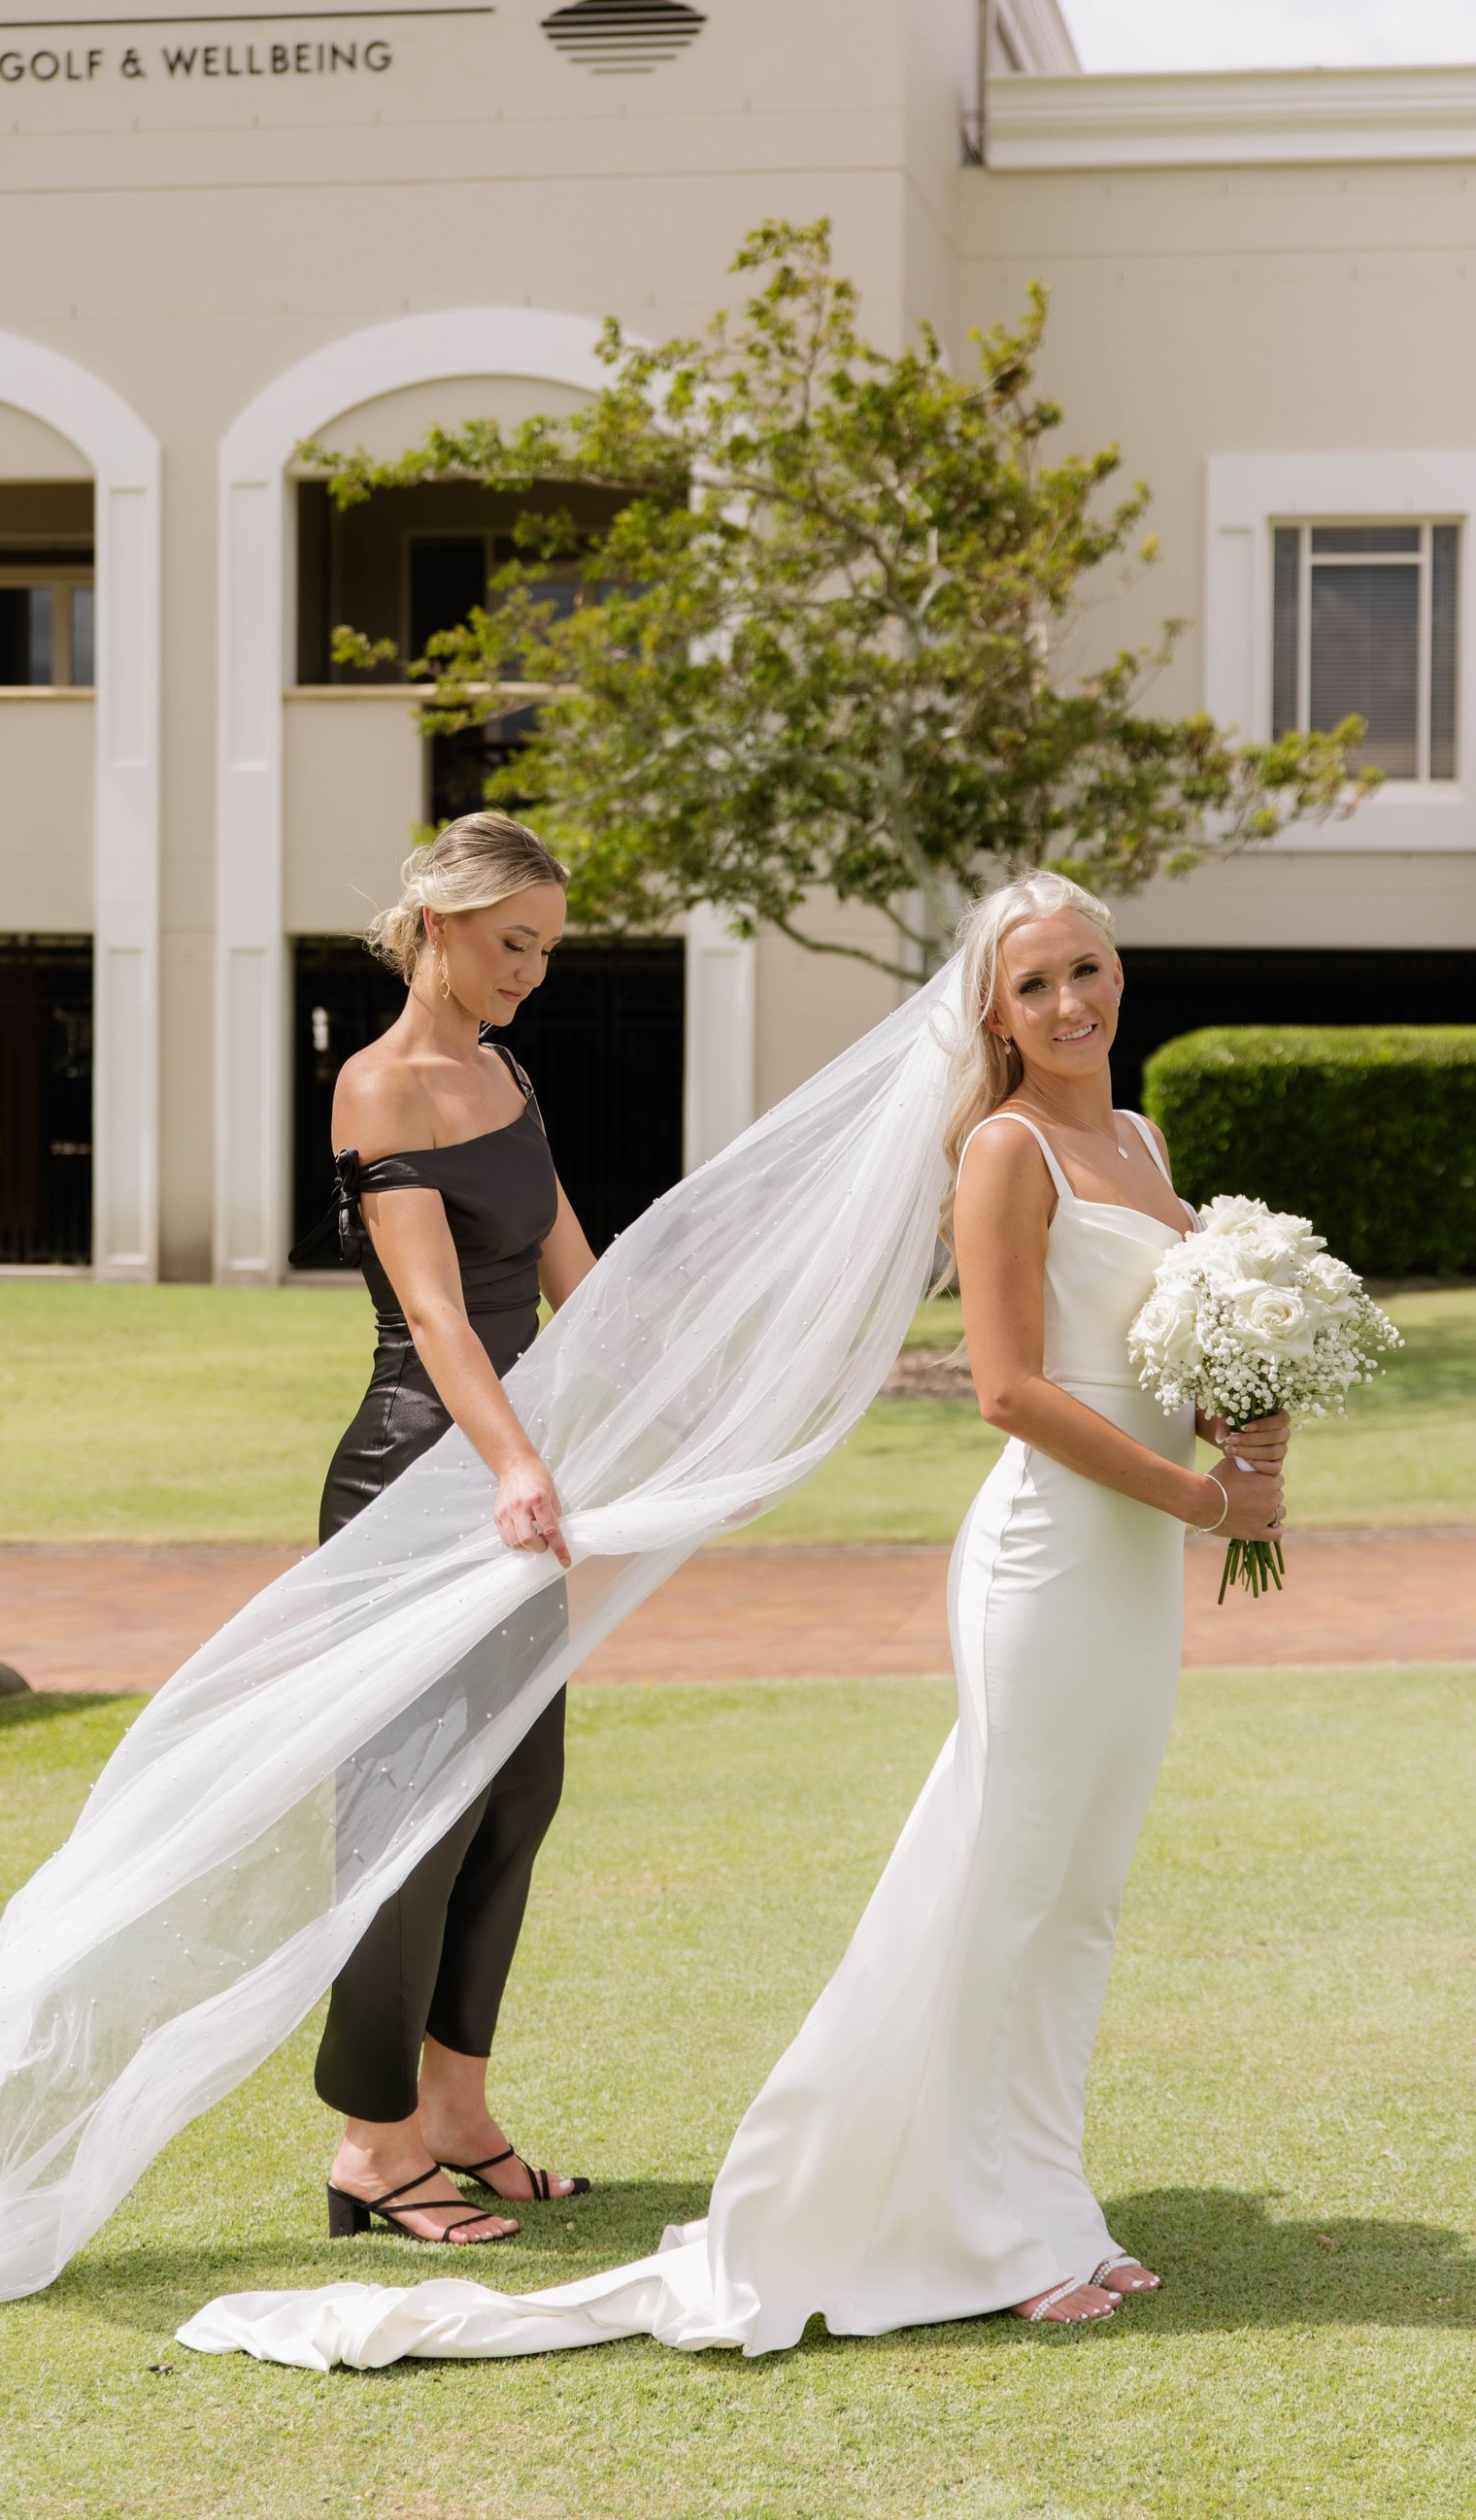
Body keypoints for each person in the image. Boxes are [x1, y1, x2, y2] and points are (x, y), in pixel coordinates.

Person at [180, 870, 1290, 2368]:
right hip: (494, 1482)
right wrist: (1206, 1502)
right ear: (992, 1012)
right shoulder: (1004, 1147)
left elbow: (586, 1279)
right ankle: (387, 2140)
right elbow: (1009, 1388)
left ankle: (1043, 2202)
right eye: (1033, 983)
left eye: (1086, 969)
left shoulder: (1141, 1141)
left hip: (1128, 1569)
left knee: (1059, 1898)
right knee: (973, 1886)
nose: (1068, 1001)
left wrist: (1250, 1407)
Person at [291, 810, 595, 2249]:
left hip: (517, 1476)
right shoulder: (379, 1086)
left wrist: (678, 1392)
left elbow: (571, 1268)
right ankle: (373, 2141)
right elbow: (433, 1315)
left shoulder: (505, 1070)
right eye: (512, 943)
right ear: (439, 926)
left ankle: (458, 2112)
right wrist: (518, 1461)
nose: (529, 971)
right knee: (411, 1816)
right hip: (418, 1478)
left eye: (545, 949)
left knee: (517, 1794)